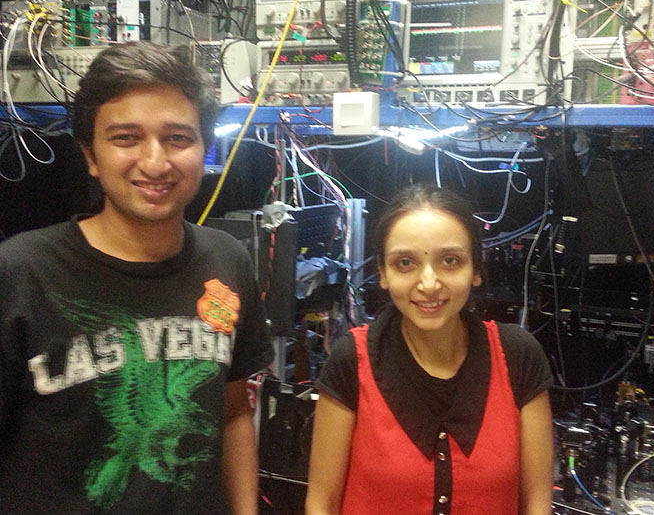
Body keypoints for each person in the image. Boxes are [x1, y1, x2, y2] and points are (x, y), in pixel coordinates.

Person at [0, 42, 273, 514]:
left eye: (177, 138)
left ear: (205, 149)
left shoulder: (226, 260)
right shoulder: (21, 272)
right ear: (90, 155)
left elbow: (231, 413)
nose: (154, 162)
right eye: (126, 138)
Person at [306, 185, 554, 515]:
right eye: (405, 263)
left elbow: (538, 504)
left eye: (450, 261)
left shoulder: (518, 356)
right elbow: (322, 503)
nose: (429, 283)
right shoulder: (352, 361)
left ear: (475, 270)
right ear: (383, 272)